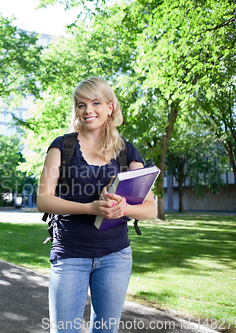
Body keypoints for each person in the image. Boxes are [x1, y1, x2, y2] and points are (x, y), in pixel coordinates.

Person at [36, 77, 157, 333]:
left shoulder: (127, 152)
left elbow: (150, 208)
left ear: (110, 107)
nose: (88, 110)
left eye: (95, 102)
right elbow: (43, 200)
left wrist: (123, 209)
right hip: (70, 253)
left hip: (116, 256)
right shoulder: (62, 146)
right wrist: (92, 208)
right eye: (81, 104)